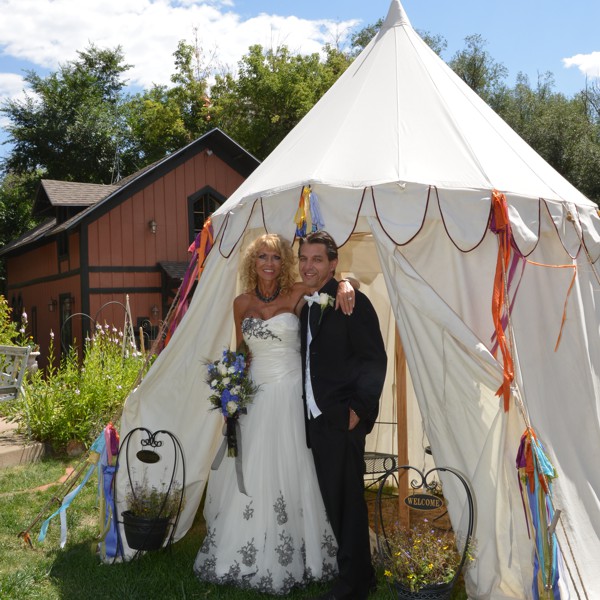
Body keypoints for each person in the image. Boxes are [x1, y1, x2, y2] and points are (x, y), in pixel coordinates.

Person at [194, 233, 355, 595]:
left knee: (295, 468)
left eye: (276, 257)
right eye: (262, 256)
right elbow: (240, 352)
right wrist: (229, 394)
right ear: (253, 262)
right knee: (256, 470)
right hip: (255, 398)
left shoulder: (296, 293)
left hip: (291, 395)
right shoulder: (241, 303)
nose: (269, 263)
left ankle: (309, 550)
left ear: (285, 262)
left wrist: (345, 283)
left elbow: (335, 283)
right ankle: (249, 546)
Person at [298, 231, 387, 600]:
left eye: (317, 259)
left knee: (347, 500)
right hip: (316, 418)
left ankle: (353, 584)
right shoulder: (306, 302)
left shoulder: (352, 301)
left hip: (341, 417)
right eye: (304, 258)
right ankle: (359, 574)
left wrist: (359, 410)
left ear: (333, 263)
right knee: (336, 499)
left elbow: (373, 359)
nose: (308, 266)